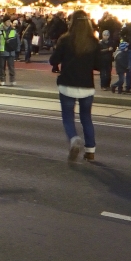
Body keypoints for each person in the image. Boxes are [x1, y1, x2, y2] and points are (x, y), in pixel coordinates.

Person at [50, 9, 101, 162]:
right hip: (86, 85)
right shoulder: (93, 41)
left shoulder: (65, 39)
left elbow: (53, 60)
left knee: (68, 117)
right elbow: (98, 65)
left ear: (71, 22)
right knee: (86, 118)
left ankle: (73, 139)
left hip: (67, 84)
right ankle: (90, 150)